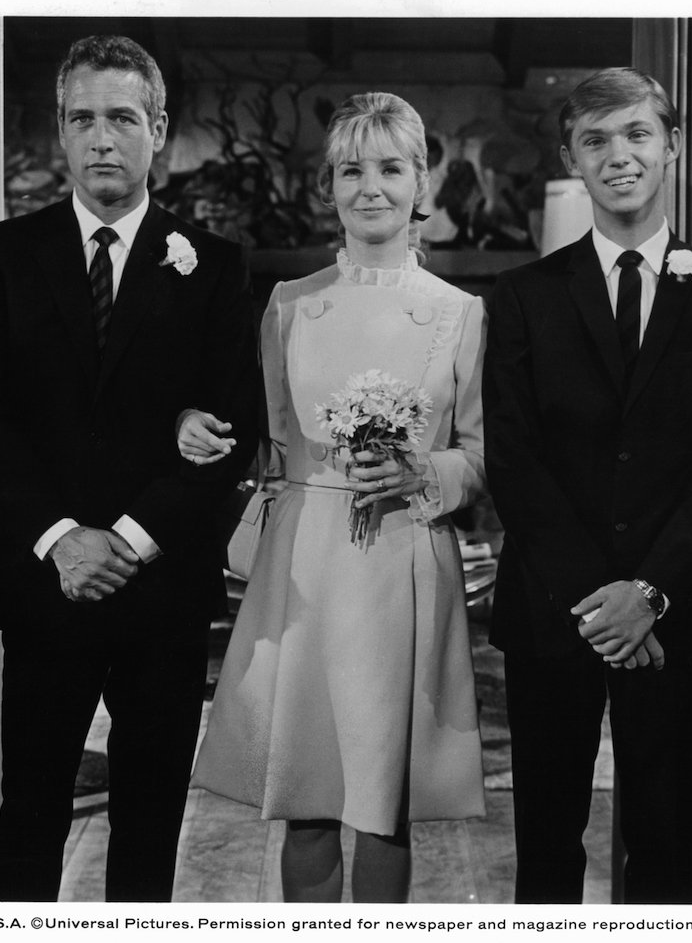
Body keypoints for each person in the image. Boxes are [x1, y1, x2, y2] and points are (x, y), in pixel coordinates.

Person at [0, 34, 258, 901]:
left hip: (161, 589)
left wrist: (125, 537)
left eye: (121, 117)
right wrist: (61, 539)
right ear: (59, 129)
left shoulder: (215, 267)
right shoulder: (1, 254)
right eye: (82, 117)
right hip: (48, 580)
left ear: (158, 129)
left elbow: (232, 427)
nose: (100, 137)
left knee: (151, 814)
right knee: (32, 809)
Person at [184, 92, 486, 903]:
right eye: (351, 169)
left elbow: (483, 454)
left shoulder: (462, 315)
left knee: (381, 803)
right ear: (329, 185)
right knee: (309, 799)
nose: (371, 187)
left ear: (423, 181)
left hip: (403, 562)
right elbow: (271, 446)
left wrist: (429, 474)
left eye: (390, 168)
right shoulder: (287, 304)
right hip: (307, 559)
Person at [482, 67, 692, 904]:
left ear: (672, 145)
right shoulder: (523, 296)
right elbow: (514, 460)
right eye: (597, 139)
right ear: (572, 153)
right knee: (545, 845)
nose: (620, 155)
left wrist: (647, 591)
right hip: (551, 613)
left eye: (638, 133)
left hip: (672, 611)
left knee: (666, 846)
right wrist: (599, 599)